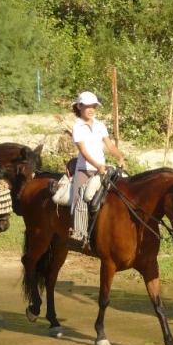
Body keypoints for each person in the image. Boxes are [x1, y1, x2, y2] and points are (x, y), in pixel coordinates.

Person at [69, 91, 125, 243]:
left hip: (103, 167)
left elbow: (110, 145)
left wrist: (119, 156)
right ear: (79, 107)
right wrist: (98, 165)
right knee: (82, 196)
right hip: (85, 169)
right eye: (87, 106)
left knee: (126, 187)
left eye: (93, 106)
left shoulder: (100, 125)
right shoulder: (78, 127)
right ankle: (79, 232)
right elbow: (83, 151)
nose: (91, 109)